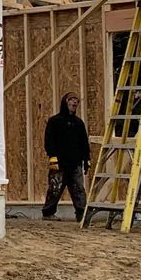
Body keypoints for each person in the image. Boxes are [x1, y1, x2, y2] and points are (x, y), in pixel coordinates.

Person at [41, 92, 89, 221]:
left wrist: (86, 159)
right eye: (71, 100)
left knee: (79, 189)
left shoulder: (79, 123)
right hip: (59, 162)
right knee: (55, 188)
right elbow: (49, 140)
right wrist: (52, 157)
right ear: (65, 102)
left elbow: (84, 142)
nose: (74, 103)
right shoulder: (55, 121)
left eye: (76, 101)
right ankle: (48, 213)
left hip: (75, 163)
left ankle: (82, 215)